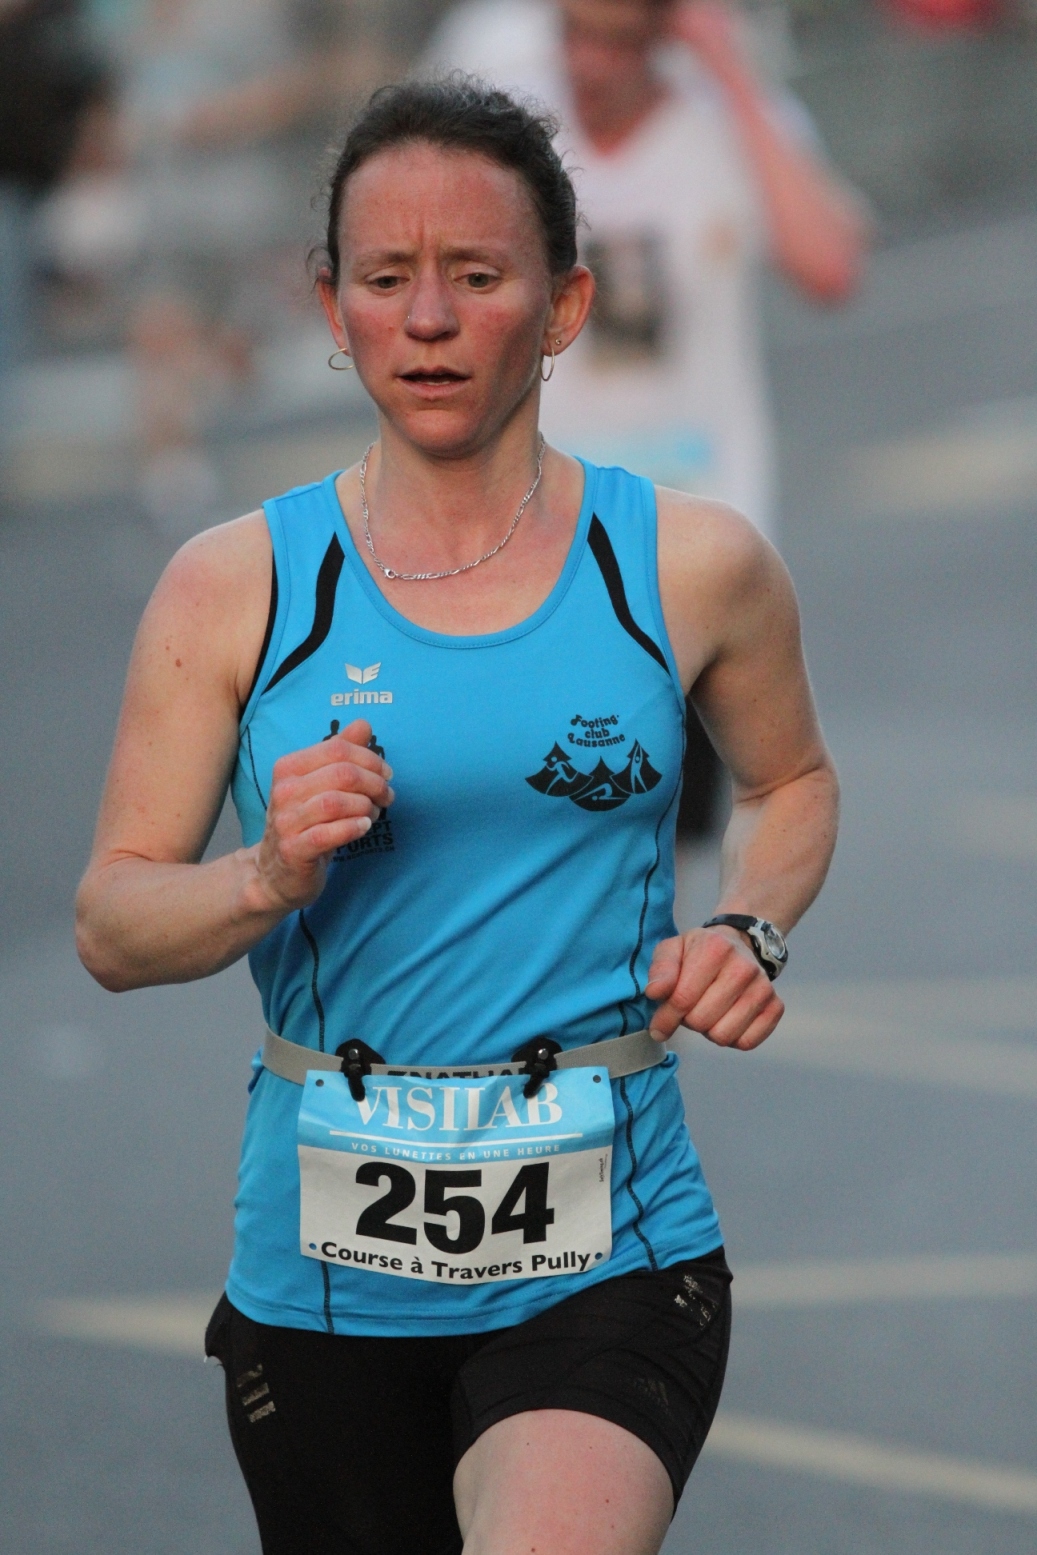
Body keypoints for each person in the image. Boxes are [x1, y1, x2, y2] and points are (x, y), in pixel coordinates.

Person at [76, 77, 838, 1555]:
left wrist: (749, 924)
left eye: (476, 277)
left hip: (609, 1256)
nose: (427, 319)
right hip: (322, 1283)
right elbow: (112, 922)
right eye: (385, 279)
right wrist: (263, 873)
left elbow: (790, 781)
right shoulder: (236, 586)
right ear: (331, 305)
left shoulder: (685, 564)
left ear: (563, 307)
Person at [424, 0, 867, 836]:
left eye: (619, 42)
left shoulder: (720, 120)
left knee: (664, 844)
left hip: (685, 545)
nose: (589, 63)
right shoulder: (505, 97)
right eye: (574, 34)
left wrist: (729, 68)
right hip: (531, 536)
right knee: (520, 825)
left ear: (666, 37)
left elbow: (828, 265)